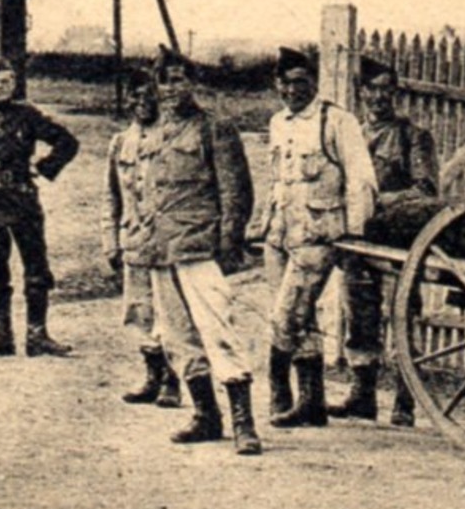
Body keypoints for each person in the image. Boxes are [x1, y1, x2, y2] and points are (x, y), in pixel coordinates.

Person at [141, 47, 261, 455]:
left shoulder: (214, 128)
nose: (171, 88)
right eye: (164, 81)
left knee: (219, 331)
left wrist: (229, 242)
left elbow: (236, 190)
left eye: (178, 80)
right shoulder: (152, 132)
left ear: (191, 83)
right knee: (177, 337)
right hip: (159, 248)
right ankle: (206, 415)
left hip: (199, 244)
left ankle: (245, 424)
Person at [255, 47, 378, 429]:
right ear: (276, 85)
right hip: (279, 235)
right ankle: (310, 403)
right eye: (285, 83)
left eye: (300, 83)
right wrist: (262, 224)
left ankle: (282, 391)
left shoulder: (337, 121)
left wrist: (354, 233)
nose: (292, 90)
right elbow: (277, 179)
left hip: (318, 236)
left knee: (285, 316)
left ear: (314, 83)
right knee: (298, 316)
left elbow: (361, 180)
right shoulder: (278, 122)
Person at [0, 57, 79, 357]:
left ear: (14, 84)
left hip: (22, 201)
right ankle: (2, 337)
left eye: (6, 82)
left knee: (36, 268)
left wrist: (45, 167)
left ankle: (37, 336)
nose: (0, 87)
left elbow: (67, 142)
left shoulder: (28, 116)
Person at [352, 57, 440, 426]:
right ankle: (362, 396)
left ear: (395, 93)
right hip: (357, 242)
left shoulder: (412, 136)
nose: (378, 97)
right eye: (372, 89)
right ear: (362, 92)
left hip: (398, 243)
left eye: (385, 90)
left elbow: (425, 189)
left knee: (400, 317)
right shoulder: (352, 135)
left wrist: (383, 200)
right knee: (358, 315)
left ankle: (404, 402)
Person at [101, 69, 180, 407]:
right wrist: (110, 240)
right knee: (140, 311)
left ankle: (173, 382)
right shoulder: (121, 142)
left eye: (149, 95)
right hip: (133, 237)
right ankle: (152, 375)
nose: (141, 102)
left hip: (169, 241)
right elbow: (111, 196)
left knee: (172, 313)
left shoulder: (173, 137)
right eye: (134, 96)